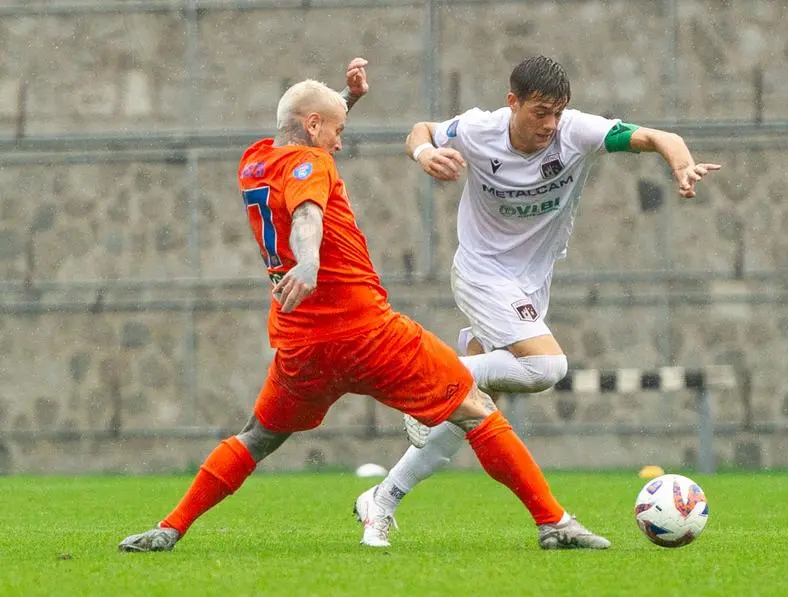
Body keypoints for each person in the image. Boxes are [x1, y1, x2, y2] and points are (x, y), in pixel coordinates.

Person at [118, 57, 609, 553]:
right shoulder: (314, 165)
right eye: (337, 130)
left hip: (300, 346)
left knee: (255, 438)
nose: (340, 140)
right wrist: (308, 262)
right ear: (314, 127)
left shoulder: (255, 161)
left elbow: (303, 136)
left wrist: (345, 99)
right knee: (477, 410)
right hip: (367, 334)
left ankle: (170, 528)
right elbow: (308, 210)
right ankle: (553, 524)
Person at [355, 55, 721, 545]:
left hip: (531, 283)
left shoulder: (578, 132)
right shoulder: (479, 129)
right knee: (548, 368)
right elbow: (419, 131)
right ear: (514, 103)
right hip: (483, 271)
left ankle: (381, 499)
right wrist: (424, 155)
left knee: (469, 414)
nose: (550, 124)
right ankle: (434, 377)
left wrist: (681, 166)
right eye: (540, 112)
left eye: (557, 112)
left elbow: (659, 137)